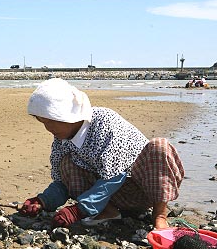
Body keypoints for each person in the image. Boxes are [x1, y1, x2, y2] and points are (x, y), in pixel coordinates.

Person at [18, 78, 184, 230]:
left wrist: (78, 210)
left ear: (67, 115)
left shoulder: (104, 123)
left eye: (50, 122)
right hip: (112, 197)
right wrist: (42, 201)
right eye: (44, 123)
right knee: (66, 163)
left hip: (141, 189)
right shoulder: (62, 140)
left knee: (159, 147)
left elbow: (115, 176)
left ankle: (159, 215)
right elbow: (62, 182)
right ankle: (108, 212)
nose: (49, 129)